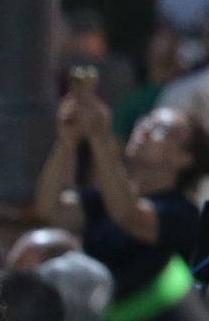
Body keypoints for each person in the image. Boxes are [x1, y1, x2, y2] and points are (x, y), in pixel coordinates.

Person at [35, 86, 207, 282]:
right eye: (144, 122)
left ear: (186, 158)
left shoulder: (183, 213)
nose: (144, 130)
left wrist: (99, 135)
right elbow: (49, 210)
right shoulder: (104, 199)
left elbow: (128, 215)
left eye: (161, 130)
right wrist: (66, 141)